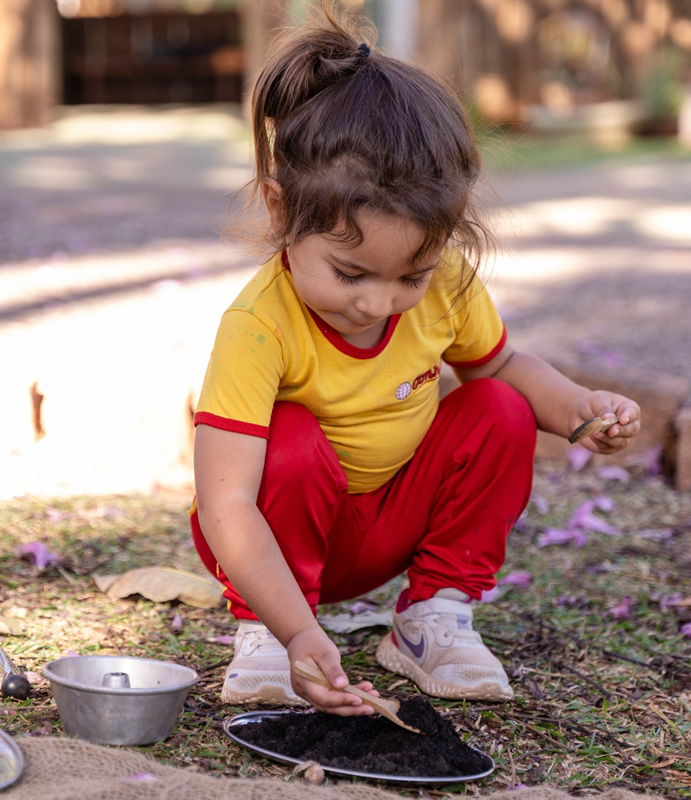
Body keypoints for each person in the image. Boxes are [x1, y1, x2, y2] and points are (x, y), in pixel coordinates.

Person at [190, 3, 641, 717]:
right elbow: (227, 502)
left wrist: (579, 410)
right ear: (279, 212)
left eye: (410, 275)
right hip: (277, 543)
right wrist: (296, 628)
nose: (379, 304)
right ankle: (266, 637)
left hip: (391, 521)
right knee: (293, 437)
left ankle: (431, 616)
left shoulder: (449, 283)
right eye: (349, 273)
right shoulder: (256, 327)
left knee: (498, 406)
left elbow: (501, 368)